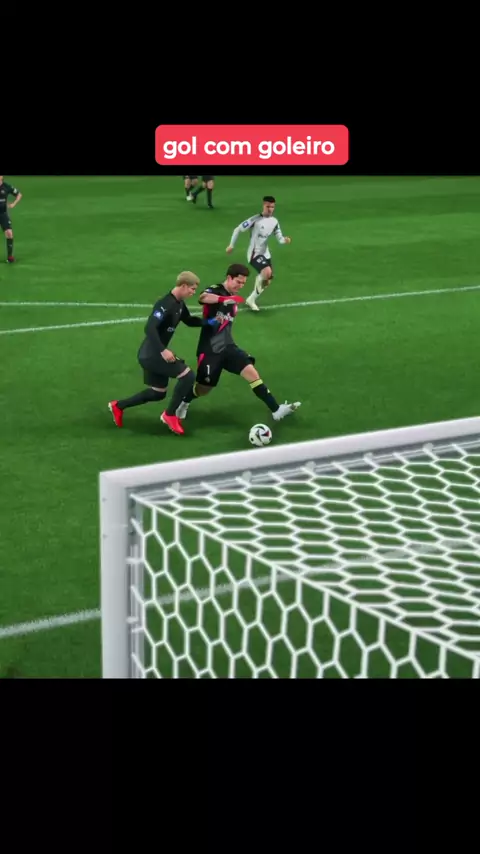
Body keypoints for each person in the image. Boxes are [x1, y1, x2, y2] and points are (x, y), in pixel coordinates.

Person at [175, 263, 301, 423]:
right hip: (210, 350)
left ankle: (276, 410)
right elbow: (203, 297)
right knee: (204, 388)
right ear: (229, 278)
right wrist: (224, 299)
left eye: (243, 283)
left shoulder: (234, 299)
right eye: (238, 282)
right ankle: (184, 402)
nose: (241, 286)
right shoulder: (216, 290)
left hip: (228, 347)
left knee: (252, 372)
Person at [108, 271, 220, 436]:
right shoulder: (165, 304)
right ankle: (170, 415)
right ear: (183, 286)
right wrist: (163, 350)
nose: (193, 292)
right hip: (152, 355)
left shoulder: (179, 304)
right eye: (192, 289)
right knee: (188, 376)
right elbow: (150, 328)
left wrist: (209, 322)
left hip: (151, 354)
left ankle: (118, 406)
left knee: (158, 393)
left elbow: (189, 320)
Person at [225, 195, 291, 312]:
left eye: (272, 207)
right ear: (263, 205)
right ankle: (260, 278)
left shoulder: (274, 221)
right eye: (268, 206)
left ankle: (251, 299)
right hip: (254, 254)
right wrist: (231, 245)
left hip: (265, 254)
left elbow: (279, 238)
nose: (270, 209)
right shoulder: (255, 219)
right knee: (267, 272)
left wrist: (284, 240)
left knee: (267, 280)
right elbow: (237, 229)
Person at [0, 176, 22, 263]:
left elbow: (19, 194)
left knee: (9, 233)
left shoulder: (6, 187)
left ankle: (10, 257)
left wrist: (13, 204)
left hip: (3, 214)